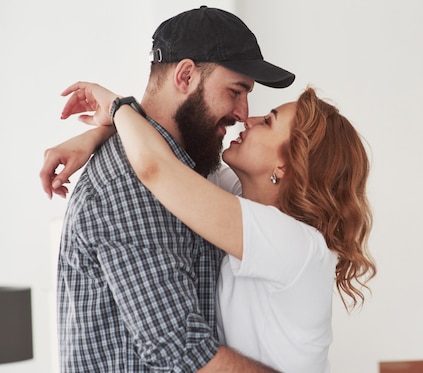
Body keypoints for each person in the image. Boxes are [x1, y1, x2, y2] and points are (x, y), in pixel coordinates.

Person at [41, 80, 377, 372]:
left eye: (269, 122)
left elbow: (156, 169)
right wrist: (97, 135)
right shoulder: (237, 193)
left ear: (284, 165)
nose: (250, 118)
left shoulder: (295, 243)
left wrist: (116, 105)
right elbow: (162, 148)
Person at [40, 6, 296, 373]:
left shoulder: (190, 168)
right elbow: (181, 351)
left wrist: (108, 125)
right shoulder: (129, 186)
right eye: (236, 91)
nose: (243, 112)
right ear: (186, 75)